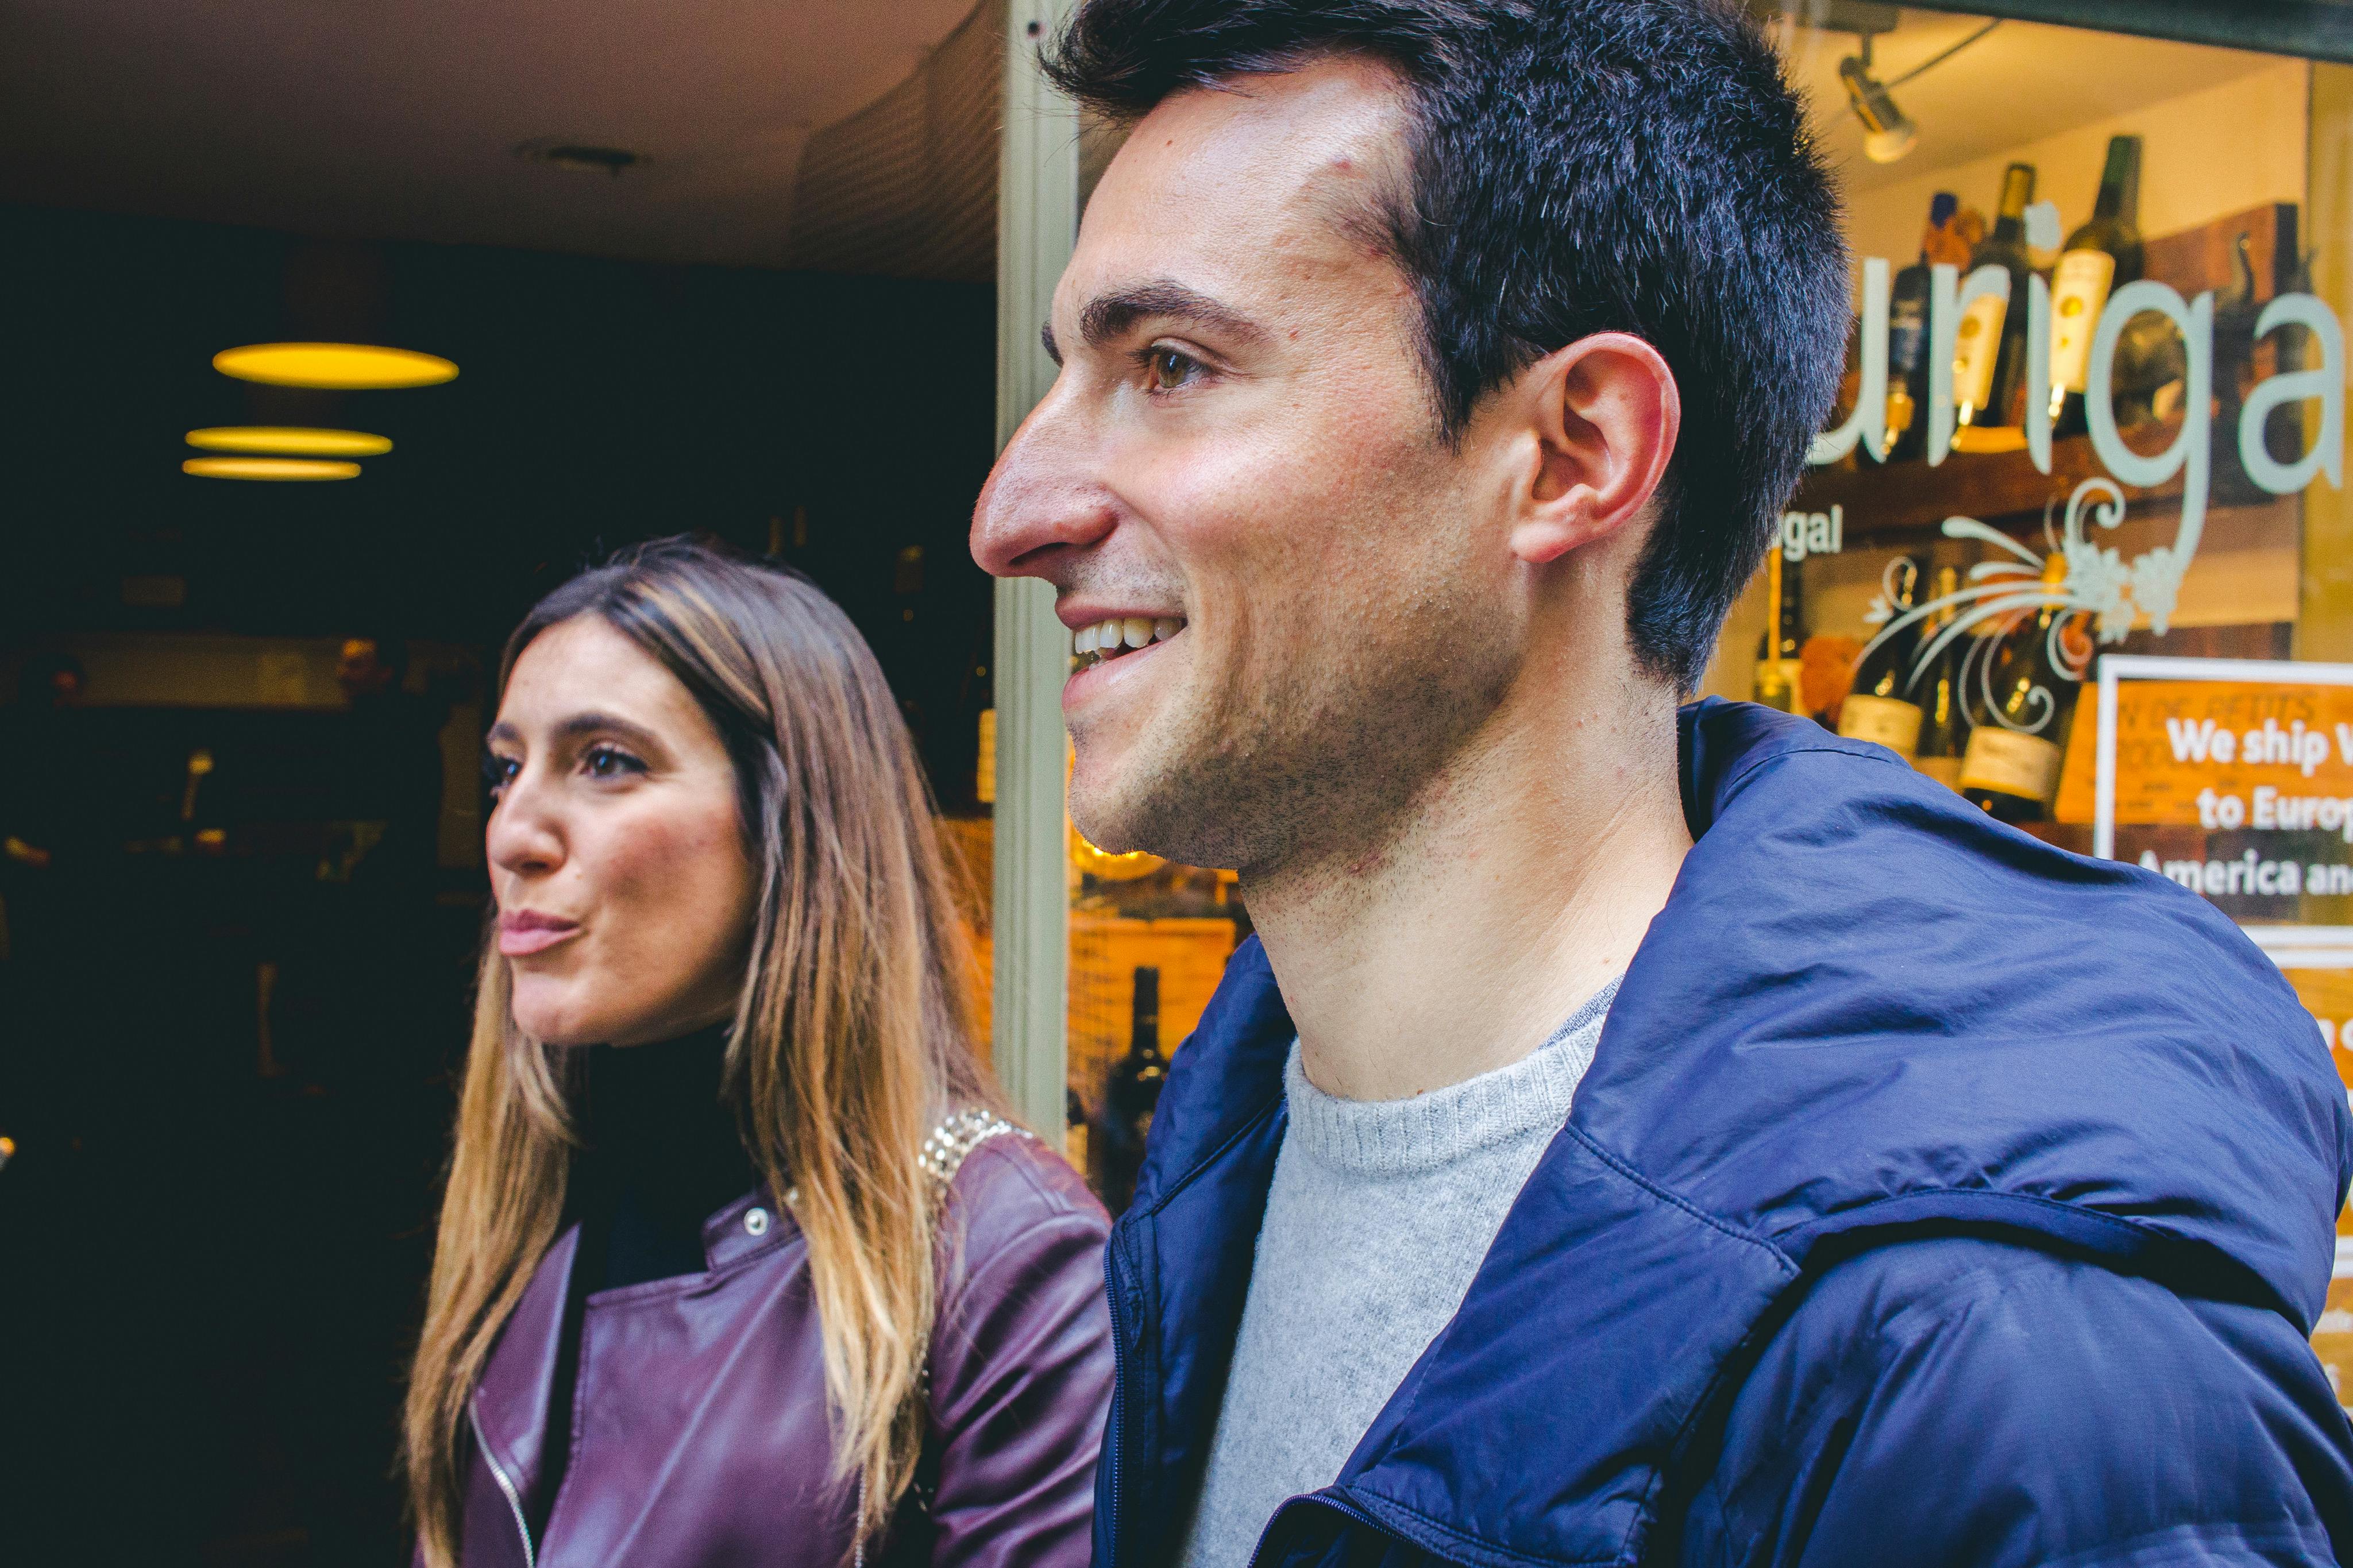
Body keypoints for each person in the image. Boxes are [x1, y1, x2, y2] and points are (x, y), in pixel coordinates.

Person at [970, 3, 2353, 1566]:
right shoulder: (1221, 1166)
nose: (1011, 510)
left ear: (1572, 454)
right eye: (1070, 374)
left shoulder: (1997, 1376)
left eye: (1170, 365)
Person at [403, 538, 1112, 1568]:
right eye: (507, 769)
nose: (513, 829)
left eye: (605, 761)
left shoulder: (998, 1255)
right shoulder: (537, 1200)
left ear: (791, 817)